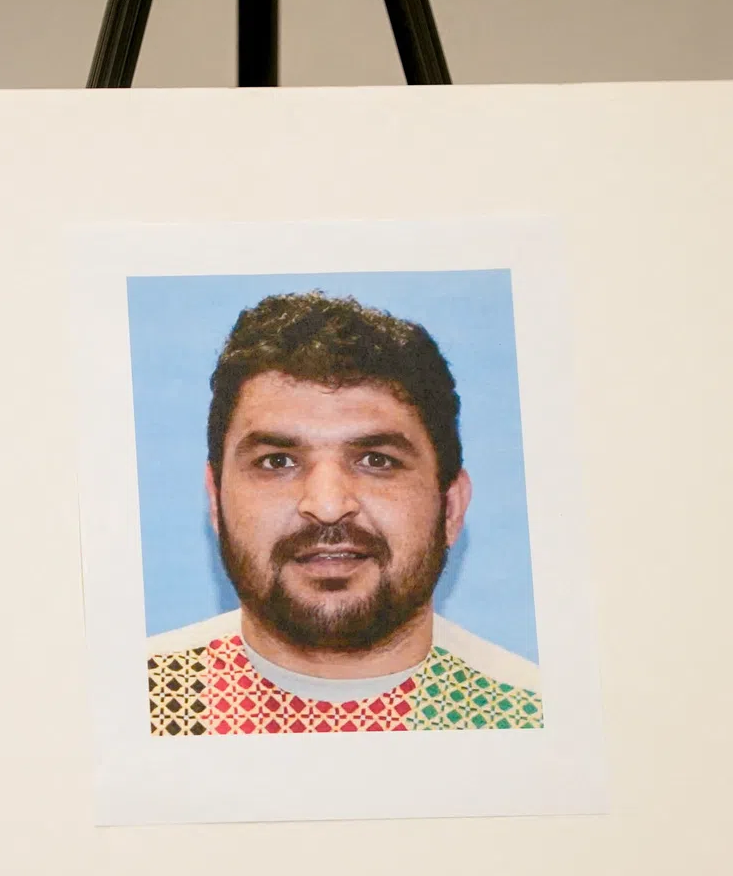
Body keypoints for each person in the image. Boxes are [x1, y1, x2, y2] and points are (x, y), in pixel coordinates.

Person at [147, 291, 543, 735]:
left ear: (451, 507)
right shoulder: (132, 707)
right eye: (278, 461)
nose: (328, 505)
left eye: (377, 460)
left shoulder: (538, 724)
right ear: (215, 501)